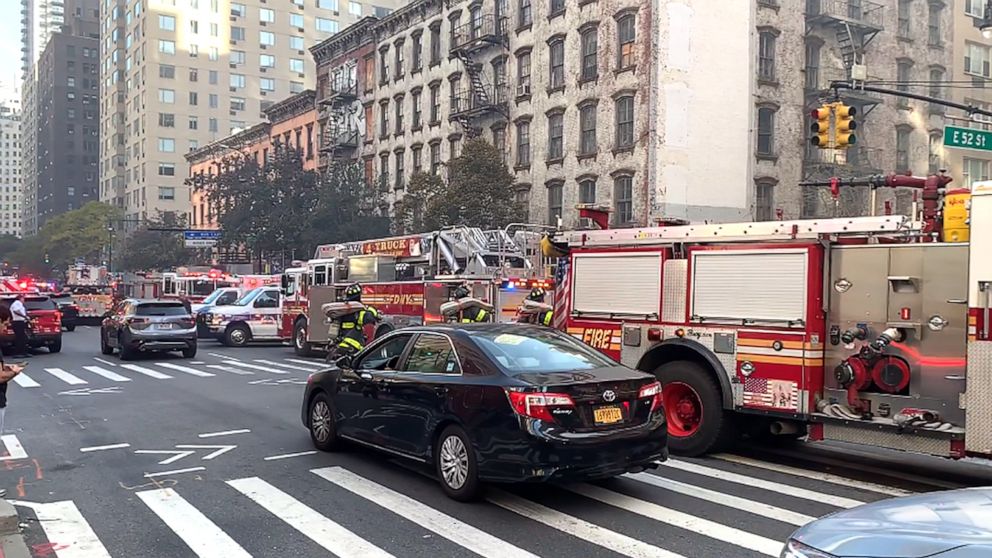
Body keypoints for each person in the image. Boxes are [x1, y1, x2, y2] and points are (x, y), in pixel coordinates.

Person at [335, 283, 379, 356]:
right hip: (355, 347)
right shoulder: (363, 313)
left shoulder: (342, 311)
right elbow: (370, 333)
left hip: (341, 344)